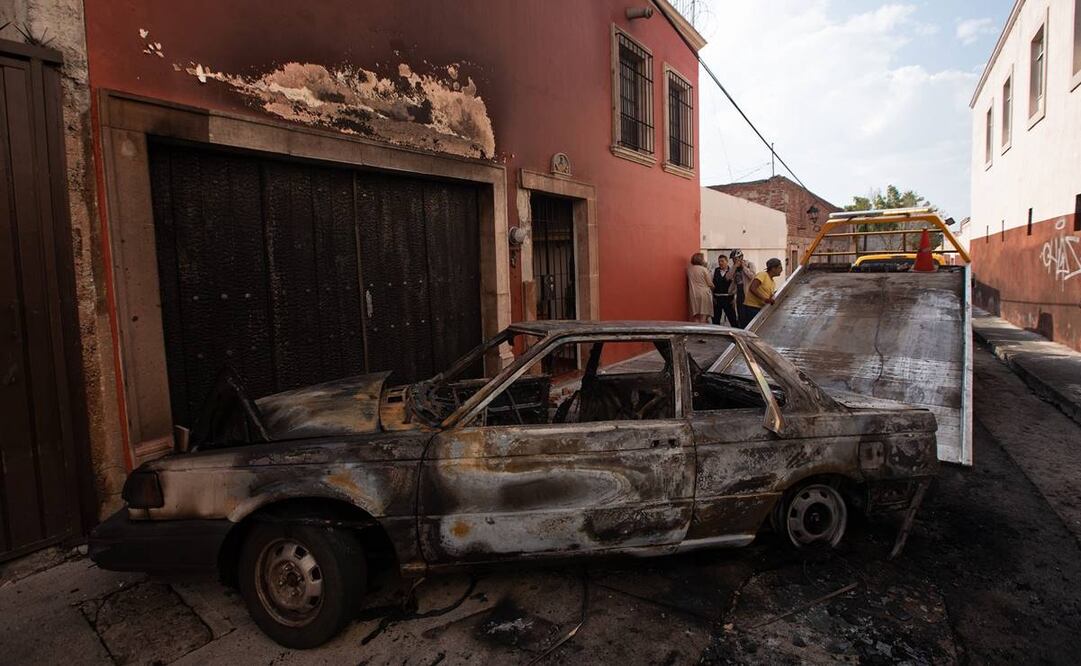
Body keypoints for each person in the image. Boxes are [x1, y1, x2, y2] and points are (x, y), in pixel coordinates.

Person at [743, 257, 784, 324]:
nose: (781, 270)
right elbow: (752, 288)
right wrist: (765, 299)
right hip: (752, 307)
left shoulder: (772, 282)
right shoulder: (763, 275)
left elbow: (769, 296)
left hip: (760, 308)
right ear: (773, 268)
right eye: (780, 268)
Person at [725, 249, 755, 328]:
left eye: (735, 259)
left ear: (741, 257)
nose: (734, 261)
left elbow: (752, 276)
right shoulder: (734, 267)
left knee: (747, 315)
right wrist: (734, 267)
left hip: (748, 293)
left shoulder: (749, 264)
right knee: (740, 314)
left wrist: (744, 267)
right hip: (739, 293)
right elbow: (728, 277)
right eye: (733, 260)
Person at [711, 255, 739, 327]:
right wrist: (712, 297)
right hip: (717, 298)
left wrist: (734, 298)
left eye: (722, 261)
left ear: (727, 262)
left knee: (732, 319)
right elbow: (711, 284)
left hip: (728, 298)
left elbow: (736, 286)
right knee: (715, 320)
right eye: (719, 261)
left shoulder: (732, 271)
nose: (720, 263)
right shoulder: (715, 271)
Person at [687, 253, 714, 323]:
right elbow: (710, 283)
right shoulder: (704, 269)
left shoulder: (689, 270)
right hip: (704, 294)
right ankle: (702, 331)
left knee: (695, 315)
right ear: (701, 260)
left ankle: (696, 331)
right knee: (703, 314)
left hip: (693, 294)